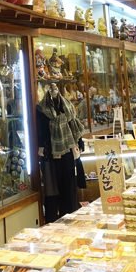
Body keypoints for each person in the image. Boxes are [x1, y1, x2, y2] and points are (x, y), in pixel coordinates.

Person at [37, 82, 85, 222]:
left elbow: (74, 125)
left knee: (69, 185)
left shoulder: (68, 106)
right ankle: (54, 219)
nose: (54, 92)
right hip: (51, 153)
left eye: (56, 89)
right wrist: (42, 149)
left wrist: (79, 142)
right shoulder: (41, 109)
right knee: (53, 188)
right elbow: (41, 132)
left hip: (68, 153)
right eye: (52, 90)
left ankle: (70, 215)